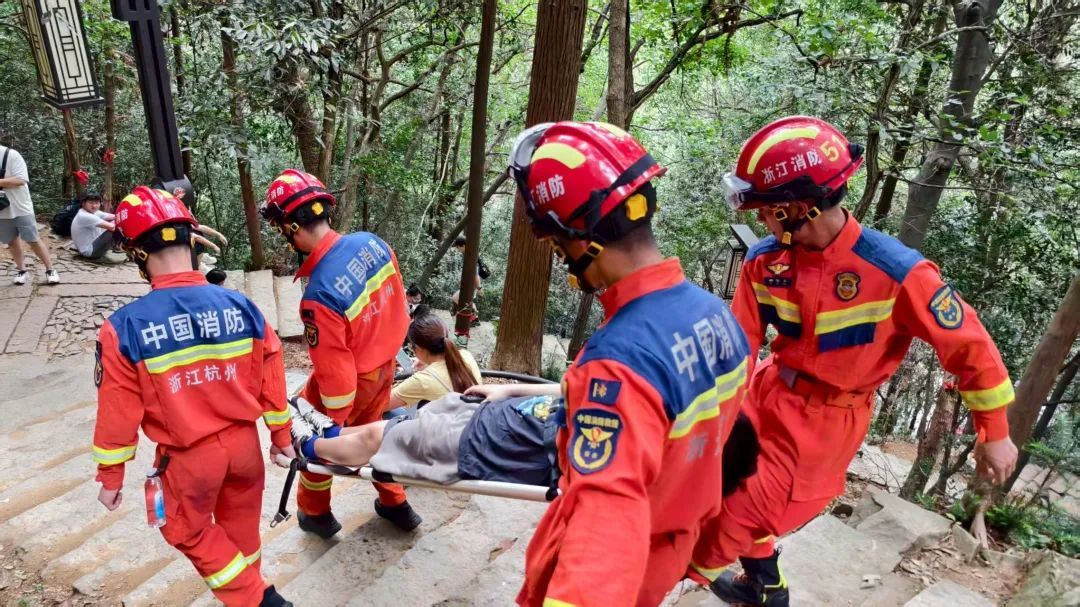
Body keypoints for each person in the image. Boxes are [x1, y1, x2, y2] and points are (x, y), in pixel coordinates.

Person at [692, 116, 1019, 606]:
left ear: (796, 208)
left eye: (765, 211)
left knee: (723, 529)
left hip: (824, 426)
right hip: (766, 394)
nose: (761, 222)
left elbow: (970, 346)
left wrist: (995, 431)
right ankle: (765, 585)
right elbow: (736, 346)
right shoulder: (766, 261)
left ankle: (683, 575)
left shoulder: (897, 272)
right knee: (712, 487)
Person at [505, 121, 752, 606]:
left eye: (555, 243)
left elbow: (605, 522)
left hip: (623, 567)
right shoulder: (716, 315)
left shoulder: (616, 364)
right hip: (670, 545)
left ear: (579, 240)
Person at [91, 186, 295, 607]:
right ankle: (252, 592)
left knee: (184, 527)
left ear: (137, 253)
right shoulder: (242, 306)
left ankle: (258, 600)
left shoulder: (124, 328)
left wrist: (111, 476)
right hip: (245, 449)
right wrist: (280, 437)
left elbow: (117, 412)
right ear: (191, 239)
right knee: (242, 533)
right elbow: (272, 379)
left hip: (189, 459)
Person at [261, 168, 418, 537]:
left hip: (356, 381)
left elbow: (336, 376)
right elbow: (398, 304)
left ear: (290, 227)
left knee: (318, 444)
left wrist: (331, 425)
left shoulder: (320, 296)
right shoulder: (372, 243)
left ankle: (316, 514)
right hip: (385, 368)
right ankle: (396, 502)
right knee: (377, 434)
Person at [392, 313, 481, 408]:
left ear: (419, 348)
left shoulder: (423, 381)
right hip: (473, 414)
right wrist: (428, 364)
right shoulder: (466, 355)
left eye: (412, 347)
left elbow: (383, 404)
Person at [0, 143, 59, 284]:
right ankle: (21, 270)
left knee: (32, 239)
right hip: (2, 209)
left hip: (20, 207)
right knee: (11, 241)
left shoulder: (11, 155)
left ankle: (50, 269)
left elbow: (21, 179)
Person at [70, 192, 120, 261]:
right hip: (90, 252)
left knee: (116, 224)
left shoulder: (94, 212)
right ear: (83, 203)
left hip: (91, 245)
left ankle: (118, 246)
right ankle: (124, 247)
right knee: (117, 229)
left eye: (97, 203)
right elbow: (112, 227)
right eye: (91, 203)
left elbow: (114, 216)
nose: (94, 206)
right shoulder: (84, 216)